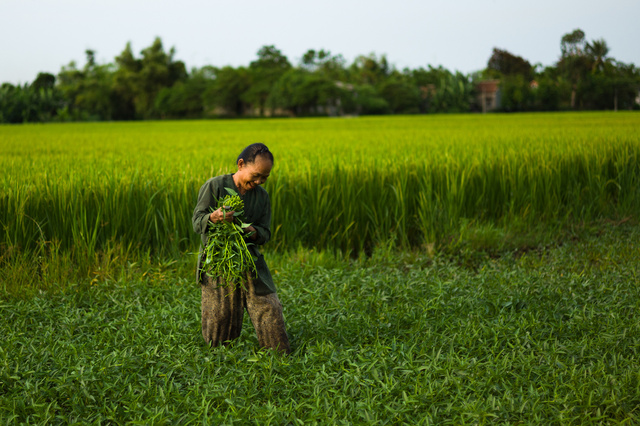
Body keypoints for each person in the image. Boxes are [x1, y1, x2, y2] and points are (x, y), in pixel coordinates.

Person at [192, 143, 290, 354]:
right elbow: (197, 222)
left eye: (264, 177)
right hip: (218, 261)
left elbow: (266, 232)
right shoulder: (215, 186)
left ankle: (278, 356)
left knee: (269, 307)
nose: (259, 181)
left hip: (250, 260)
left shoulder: (262, 197)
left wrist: (254, 232)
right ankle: (219, 360)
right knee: (220, 318)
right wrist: (214, 217)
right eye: (256, 175)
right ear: (240, 164)